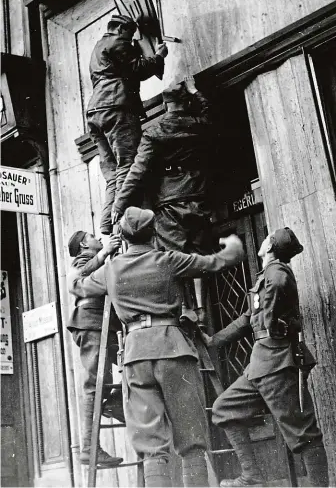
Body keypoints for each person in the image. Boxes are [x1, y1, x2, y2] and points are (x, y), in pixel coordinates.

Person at [68, 206, 245, 487]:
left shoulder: (111, 269)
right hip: (173, 349)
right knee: (191, 439)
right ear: (153, 235)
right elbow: (220, 262)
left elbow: (77, 286)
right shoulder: (168, 260)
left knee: (151, 445)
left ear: (124, 238)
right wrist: (233, 244)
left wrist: (101, 256)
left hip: (136, 355)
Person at [202, 227, 329, 487]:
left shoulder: (276, 270)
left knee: (303, 433)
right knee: (224, 409)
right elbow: (248, 319)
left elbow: (280, 284)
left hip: (278, 364)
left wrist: (271, 318)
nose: (262, 241)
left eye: (266, 238)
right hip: (260, 366)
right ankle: (252, 476)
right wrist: (214, 341)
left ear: (269, 247)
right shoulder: (267, 275)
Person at [86, 14, 168, 238]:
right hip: (116, 106)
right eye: (130, 34)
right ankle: (118, 216)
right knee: (127, 164)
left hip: (95, 112)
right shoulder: (118, 42)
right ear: (121, 29)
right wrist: (159, 56)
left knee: (112, 173)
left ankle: (106, 224)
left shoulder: (98, 46)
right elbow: (138, 69)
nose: (132, 39)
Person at [112, 77, 213, 255]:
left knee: (174, 258)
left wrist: (119, 204)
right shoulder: (198, 125)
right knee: (198, 255)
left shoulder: (153, 133)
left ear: (166, 105)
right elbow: (209, 112)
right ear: (188, 102)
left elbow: (137, 171)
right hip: (197, 194)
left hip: (169, 201)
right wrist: (195, 91)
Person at [67, 230, 125, 467]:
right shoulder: (82, 261)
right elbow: (75, 279)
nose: (98, 239)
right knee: (94, 383)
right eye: (93, 236)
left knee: (130, 367)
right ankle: (89, 448)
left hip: (103, 326)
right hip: (91, 324)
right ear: (83, 244)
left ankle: (113, 403)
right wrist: (104, 253)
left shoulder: (96, 258)